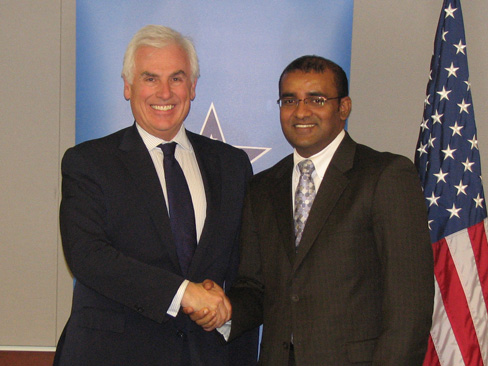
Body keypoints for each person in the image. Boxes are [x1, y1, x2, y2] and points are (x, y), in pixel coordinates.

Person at [187, 55, 434, 365]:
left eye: (316, 99)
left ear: (343, 107)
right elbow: (255, 286)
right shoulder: (262, 188)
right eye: (289, 100)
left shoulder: (385, 176)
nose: (301, 111)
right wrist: (223, 311)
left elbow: (409, 306)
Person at [53, 25, 258, 366]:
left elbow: (249, 268)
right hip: (110, 355)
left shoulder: (232, 165)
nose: (165, 93)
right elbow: (87, 256)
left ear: (192, 88)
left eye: (176, 79)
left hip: (208, 356)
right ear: (128, 87)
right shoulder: (88, 162)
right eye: (150, 78)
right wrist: (183, 293)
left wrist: (229, 311)